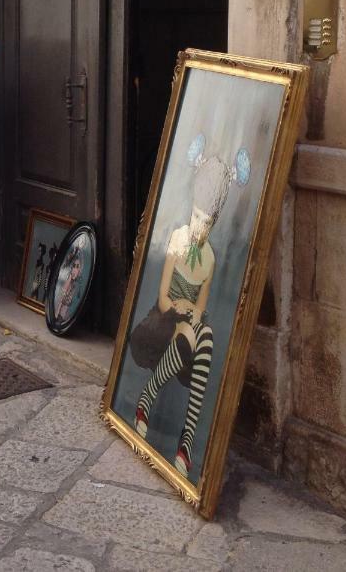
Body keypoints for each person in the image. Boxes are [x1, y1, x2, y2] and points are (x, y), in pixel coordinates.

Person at [129, 134, 250, 478]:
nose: (200, 227)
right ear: (190, 211)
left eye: (207, 221)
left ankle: (184, 438)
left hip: (188, 335)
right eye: (197, 216)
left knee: (204, 331)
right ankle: (148, 399)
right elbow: (164, 297)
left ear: (214, 222)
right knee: (195, 329)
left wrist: (194, 312)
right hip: (162, 320)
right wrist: (180, 307)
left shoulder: (209, 258)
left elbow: (202, 306)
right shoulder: (178, 238)